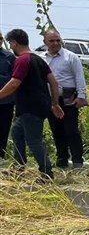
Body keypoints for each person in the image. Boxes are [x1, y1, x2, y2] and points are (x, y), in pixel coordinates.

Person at [0, 29, 63, 178]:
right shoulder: (38, 59)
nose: (11, 46)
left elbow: (14, 83)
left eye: (10, 43)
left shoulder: (22, 60)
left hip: (31, 107)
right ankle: (19, 166)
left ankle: (47, 173)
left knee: (33, 141)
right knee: (17, 133)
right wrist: (55, 103)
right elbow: (53, 82)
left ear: (14, 42)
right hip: (35, 106)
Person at [43, 29, 88, 169]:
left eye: (58, 40)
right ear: (45, 42)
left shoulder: (71, 57)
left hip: (69, 98)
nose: (56, 43)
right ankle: (62, 160)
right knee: (56, 130)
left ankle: (77, 161)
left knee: (71, 130)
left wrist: (81, 97)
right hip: (51, 100)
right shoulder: (41, 58)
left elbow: (79, 77)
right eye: (52, 41)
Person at [0, 33, 16, 164]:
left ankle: (0, 156)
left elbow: (15, 79)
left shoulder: (9, 57)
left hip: (5, 101)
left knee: (3, 129)